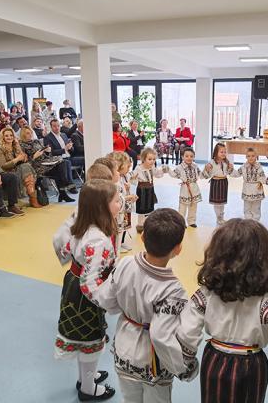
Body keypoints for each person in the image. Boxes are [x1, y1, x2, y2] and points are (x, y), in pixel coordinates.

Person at [178, 219, 268, 403]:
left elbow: (187, 331)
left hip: (214, 361)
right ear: (264, 257)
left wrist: (187, 362)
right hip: (251, 365)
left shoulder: (207, 292)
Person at [94, 208, 197, 402]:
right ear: (178, 248)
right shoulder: (173, 290)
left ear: (142, 238)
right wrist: (183, 368)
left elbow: (106, 300)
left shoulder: (125, 264)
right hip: (153, 365)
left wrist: (127, 309)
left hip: (123, 352)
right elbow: (162, 337)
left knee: (130, 399)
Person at [52, 179, 120, 402]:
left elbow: (66, 248)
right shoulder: (99, 240)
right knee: (91, 341)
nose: (120, 204)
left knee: (84, 341)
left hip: (72, 284)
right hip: (87, 297)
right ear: (102, 207)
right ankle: (88, 389)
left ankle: (86, 378)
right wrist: (110, 303)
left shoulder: (81, 226)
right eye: (117, 201)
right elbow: (89, 283)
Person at [19, 127, 75, 203]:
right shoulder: (21, 145)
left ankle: (64, 190)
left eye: (31, 133)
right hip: (35, 166)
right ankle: (64, 189)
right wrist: (34, 156)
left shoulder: (36, 141)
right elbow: (25, 163)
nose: (30, 134)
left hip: (46, 162)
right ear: (23, 135)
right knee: (61, 169)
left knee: (64, 163)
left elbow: (46, 155)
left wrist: (47, 151)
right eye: (28, 133)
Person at [0, 127, 41, 208]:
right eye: (6, 136)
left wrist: (24, 158)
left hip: (18, 170)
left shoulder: (16, 146)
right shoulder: (0, 148)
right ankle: (33, 199)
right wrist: (17, 159)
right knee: (25, 168)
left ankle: (33, 198)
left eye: (11, 135)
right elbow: (3, 166)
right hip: (6, 172)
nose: (9, 137)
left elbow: (23, 161)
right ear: (3, 137)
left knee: (25, 166)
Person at [130, 147, 166, 233]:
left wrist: (163, 171)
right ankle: (140, 225)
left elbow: (157, 174)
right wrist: (131, 178)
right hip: (142, 190)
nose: (152, 161)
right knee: (142, 207)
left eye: (154, 159)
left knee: (150, 207)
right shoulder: (139, 168)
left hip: (150, 189)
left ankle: (148, 224)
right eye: (149, 159)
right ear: (143, 159)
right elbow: (132, 177)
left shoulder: (152, 167)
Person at [201, 142, 233, 226]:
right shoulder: (211, 162)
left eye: (225, 152)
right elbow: (206, 175)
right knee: (217, 203)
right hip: (216, 183)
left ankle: (221, 217)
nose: (223, 153)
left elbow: (228, 172)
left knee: (222, 202)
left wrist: (230, 168)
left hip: (224, 182)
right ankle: (218, 217)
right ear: (216, 153)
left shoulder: (226, 162)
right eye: (221, 152)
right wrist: (207, 169)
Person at [168, 147, 201, 228]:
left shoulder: (195, 166)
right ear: (182, 157)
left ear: (194, 157)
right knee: (183, 206)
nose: (189, 158)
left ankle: (191, 221)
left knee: (193, 205)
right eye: (187, 156)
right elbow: (174, 174)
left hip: (194, 187)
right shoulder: (180, 167)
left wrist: (208, 170)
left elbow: (201, 174)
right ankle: (181, 221)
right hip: (185, 188)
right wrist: (168, 169)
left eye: (191, 156)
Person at [232, 148, 266, 221]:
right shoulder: (243, 167)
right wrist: (230, 169)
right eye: (249, 156)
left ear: (256, 156)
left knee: (256, 207)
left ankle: (256, 222)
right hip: (247, 189)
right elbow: (236, 174)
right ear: (246, 157)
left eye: (253, 156)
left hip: (257, 189)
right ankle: (248, 222)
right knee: (247, 207)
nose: (251, 158)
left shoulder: (259, 167)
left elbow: (263, 177)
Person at [43, 119, 80, 188]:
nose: (57, 128)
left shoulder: (63, 134)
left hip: (69, 157)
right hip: (59, 159)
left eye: (58, 126)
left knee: (85, 159)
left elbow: (71, 149)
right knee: (67, 162)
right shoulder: (48, 138)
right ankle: (71, 185)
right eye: (54, 126)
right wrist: (64, 149)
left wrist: (70, 147)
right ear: (51, 127)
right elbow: (51, 152)